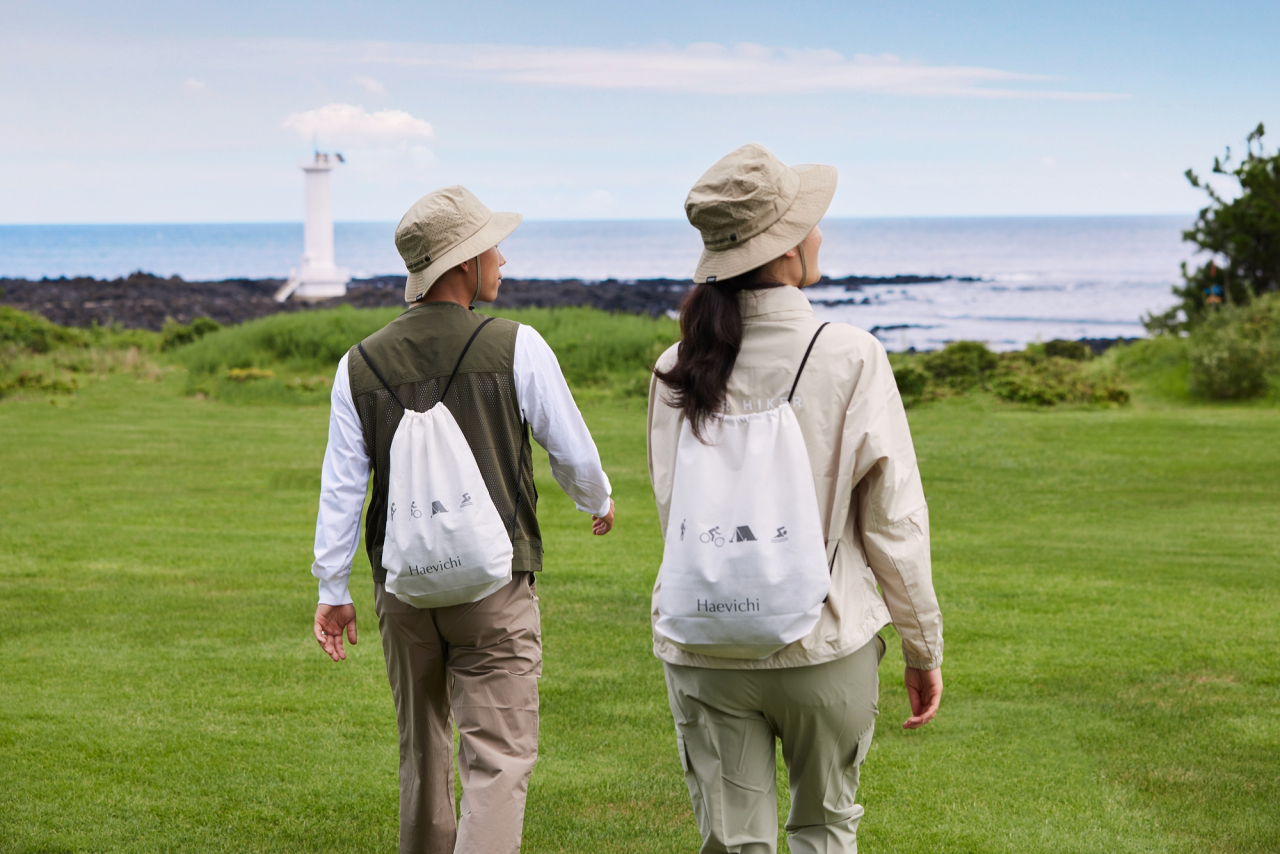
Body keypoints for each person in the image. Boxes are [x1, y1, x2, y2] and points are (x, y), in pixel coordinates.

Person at [647, 144, 944, 853]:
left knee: (732, 841)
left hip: (703, 640)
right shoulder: (849, 354)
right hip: (825, 640)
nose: (819, 234)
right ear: (784, 250)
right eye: (809, 223)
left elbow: (675, 505)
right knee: (825, 830)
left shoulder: (675, 366)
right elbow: (893, 520)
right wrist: (921, 644)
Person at [310, 185, 616, 854]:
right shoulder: (516, 345)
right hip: (495, 587)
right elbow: (572, 449)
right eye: (491, 248)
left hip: (404, 592)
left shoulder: (357, 364)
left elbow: (342, 489)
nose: (502, 260)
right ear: (461, 265)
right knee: (498, 760)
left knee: (422, 758)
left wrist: (333, 590)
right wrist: (596, 500)